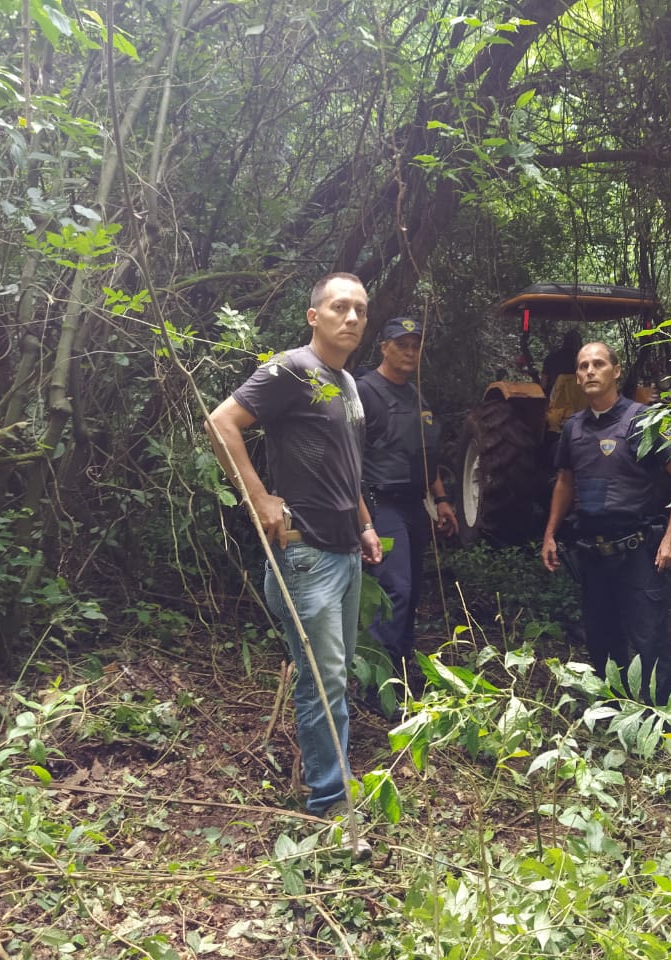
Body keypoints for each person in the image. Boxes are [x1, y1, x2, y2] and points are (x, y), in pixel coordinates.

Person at [206, 272, 382, 830]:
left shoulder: (347, 384)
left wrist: (367, 524)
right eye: (338, 307)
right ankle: (331, 802)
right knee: (323, 679)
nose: (350, 317)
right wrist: (258, 498)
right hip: (306, 554)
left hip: (346, 550)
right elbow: (221, 422)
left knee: (335, 673)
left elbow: (345, 467)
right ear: (314, 316)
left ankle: (335, 783)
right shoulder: (292, 369)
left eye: (359, 309)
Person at [540, 341, 671, 705]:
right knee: (601, 637)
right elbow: (565, 481)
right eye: (583, 366)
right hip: (592, 553)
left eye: (598, 364)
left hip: (639, 550)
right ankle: (614, 711)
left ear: (616, 371)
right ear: (576, 377)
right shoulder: (573, 428)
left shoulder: (644, 421)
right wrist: (550, 534)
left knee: (648, 638)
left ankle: (657, 720)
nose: (590, 371)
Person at [356, 317, 457, 691]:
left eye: (415, 345)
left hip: (415, 504)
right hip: (380, 504)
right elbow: (346, 457)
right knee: (393, 589)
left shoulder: (417, 395)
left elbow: (424, 455)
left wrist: (442, 499)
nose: (410, 351)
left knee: (412, 591)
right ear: (384, 347)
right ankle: (376, 687)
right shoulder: (365, 391)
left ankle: (397, 670)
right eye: (402, 344)